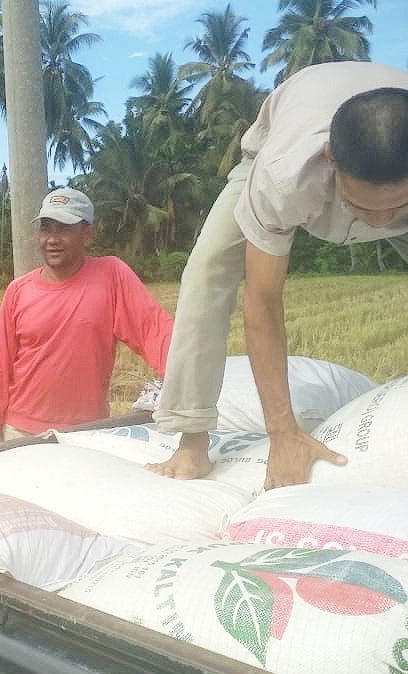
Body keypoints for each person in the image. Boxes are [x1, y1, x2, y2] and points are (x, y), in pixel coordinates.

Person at [149, 62, 408, 489]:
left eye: (394, 208)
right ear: (331, 159)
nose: (379, 225)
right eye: (363, 207)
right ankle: (191, 438)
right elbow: (263, 302)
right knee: (207, 270)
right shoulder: (283, 174)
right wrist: (283, 434)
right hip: (277, 149)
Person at [0, 188, 173, 442]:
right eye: (46, 228)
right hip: (20, 433)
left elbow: (154, 332)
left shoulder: (111, 277)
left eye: (64, 228)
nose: (52, 239)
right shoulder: (18, 291)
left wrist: (189, 377)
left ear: (88, 234)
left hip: (88, 433)